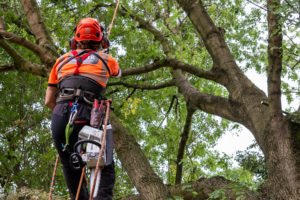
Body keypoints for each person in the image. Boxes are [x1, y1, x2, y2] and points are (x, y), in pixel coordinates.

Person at [45, 18, 121, 200]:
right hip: (91, 113)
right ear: (101, 41)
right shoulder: (108, 60)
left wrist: (65, 115)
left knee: (70, 166)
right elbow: (117, 74)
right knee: (104, 165)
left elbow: (49, 100)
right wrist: (104, 49)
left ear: (75, 40)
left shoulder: (61, 61)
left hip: (61, 116)